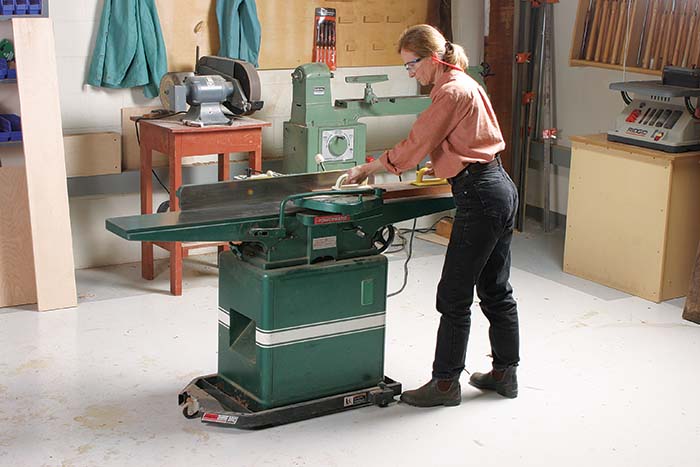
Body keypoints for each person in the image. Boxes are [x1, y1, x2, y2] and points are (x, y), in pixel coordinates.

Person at [346, 24, 520, 407]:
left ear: (432, 59)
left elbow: (415, 144)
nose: (411, 74)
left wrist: (368, 168)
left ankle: (444, 385)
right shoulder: (465, 84)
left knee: (454, 295)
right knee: (495, 289)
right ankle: (506, 373)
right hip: (498, 186)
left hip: (480, 194)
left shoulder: (450, 92)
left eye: (411, 66)